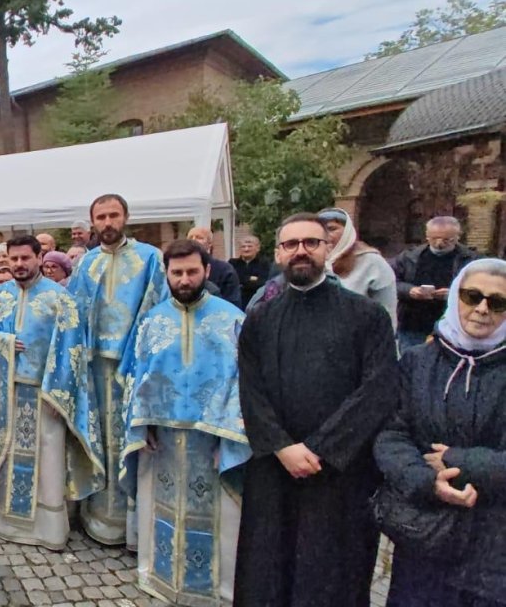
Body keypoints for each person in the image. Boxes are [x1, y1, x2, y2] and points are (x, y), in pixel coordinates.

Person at [234, 213, 398, 606]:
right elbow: (250, 388)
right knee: (268, 566)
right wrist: (281, 446)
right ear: (278, 254)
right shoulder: (260, 317)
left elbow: (378, 388)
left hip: (340, 471)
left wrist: (322, 448)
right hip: (275, 466)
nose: (301, 252)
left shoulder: (366, 315)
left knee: (331, 569)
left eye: (311, 243)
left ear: (329, 249)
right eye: (291, 245)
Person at [119, 240, 250, 604]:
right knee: (160, 510)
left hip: (212, 440)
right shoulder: (151, 320)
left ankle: (216, 590)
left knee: (216, 516)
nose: (185, 279)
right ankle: (158, 576)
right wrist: (140, 426)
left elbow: (244, 382)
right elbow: (135, 375)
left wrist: (230, 438)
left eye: (192, 271)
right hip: (161, 438)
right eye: (177, 272)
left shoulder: (232, 320)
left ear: (207, 271)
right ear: (167, 274)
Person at [374, 258, 506, 607]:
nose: (481, 309)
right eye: (472, 296)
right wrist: (426, 481)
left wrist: (455, 460)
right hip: (426, 532)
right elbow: (392, 433)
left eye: (497, 302)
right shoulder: (419, 361)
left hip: (495, 545)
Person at [0, 235, 101, 548]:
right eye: (13, 259)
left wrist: (56, 394)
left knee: (47, 459)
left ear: (38, 258)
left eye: (25, 258)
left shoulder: (59, 298)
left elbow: (72, 350)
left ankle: (48, 529)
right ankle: (10, 522)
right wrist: (2, 341)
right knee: (10, 456)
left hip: (46, 394)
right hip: (7, 394)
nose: (19, 264)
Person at [68, 193, 167, 547]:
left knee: (129, 443)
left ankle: (131, 527)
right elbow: (73, 316)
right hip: (93, 370)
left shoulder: (149, 259)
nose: (107, 223)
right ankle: (94, 516)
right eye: (100, 217)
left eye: (113, 215)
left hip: (132, 369)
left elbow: (157, 311)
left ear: (126, 217)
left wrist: (135, 356)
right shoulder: (86, 264)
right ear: (92, 221)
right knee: (95, 439)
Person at [391, 216, 479, 353]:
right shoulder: (409, 257)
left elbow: (481, 289)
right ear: (427, 236)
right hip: (412, 323)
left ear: (457, 237)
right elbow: (392, 281)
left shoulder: (471, 260)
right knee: (410, 365)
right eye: (434, 238)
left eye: (446, 239)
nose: (439, 243)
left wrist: (455, 294)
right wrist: (409, 290)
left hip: (453, 324)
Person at [320, 207, 398, 326]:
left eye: (331, 229)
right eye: (320, 230)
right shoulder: (310, 262)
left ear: (347, 232)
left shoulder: (372, 262)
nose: (325, 235)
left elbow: (387, 313)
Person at [186, 226, 243, 307]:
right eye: (190, 237)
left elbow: (233, 303)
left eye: (199, 237)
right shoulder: (180, 269)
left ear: (209, 244)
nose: (194, 240)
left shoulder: (225, 269)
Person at [229, 235, 273, 308]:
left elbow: (264, 283)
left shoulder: (265, 264)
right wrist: (250, 279)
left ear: (257, 248)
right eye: (243, 246)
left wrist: (242, 281)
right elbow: (231, 284)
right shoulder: (232, 264)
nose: (246, 249)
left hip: (258, 305)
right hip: (236, 305)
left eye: (249, 246)